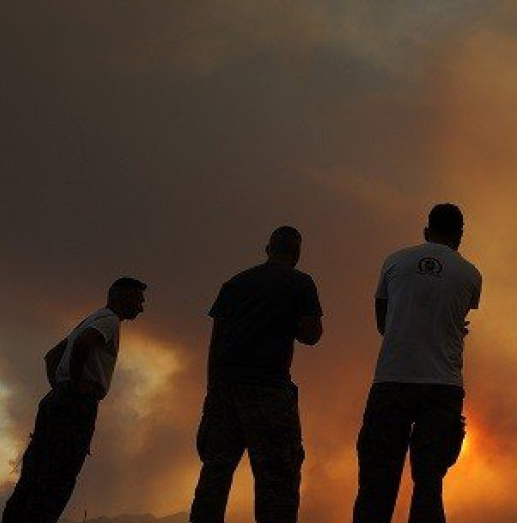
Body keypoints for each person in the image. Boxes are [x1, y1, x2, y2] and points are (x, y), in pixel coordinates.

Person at [352, 203, 483, 523]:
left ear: (427, 230)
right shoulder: (471, 274)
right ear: (460, 235)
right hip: (443, 387)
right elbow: (455, 316)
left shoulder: (394, 261)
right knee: (429, 483)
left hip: (393, 379)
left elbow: (382, 323)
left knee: (376, 482)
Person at [191, 226, 324, 523]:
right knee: (277, 477)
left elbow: (215, 343)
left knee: (215, 473)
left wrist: (211, 396)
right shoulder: (300, 283)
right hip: (269, 391)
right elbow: (311, 335)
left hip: (224, 389)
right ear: (297, 252)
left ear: (267, 248)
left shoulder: (235, 283)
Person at [2, 276, 148, 523]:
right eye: (139, 300)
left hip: (56, 400)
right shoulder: (109, 321)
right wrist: (76, 390)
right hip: (76, 402)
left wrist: (60, 389)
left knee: (34, 473)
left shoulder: (90, 319)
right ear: (122, 297)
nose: (142, 307)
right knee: (58, 478)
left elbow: (51, 356)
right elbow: (82, 344)